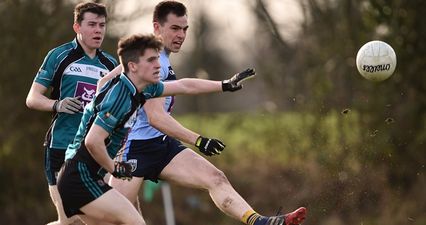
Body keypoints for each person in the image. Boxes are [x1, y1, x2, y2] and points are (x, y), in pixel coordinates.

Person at [103, 1, 307, 225]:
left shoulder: (153, 58)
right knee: (108, 219)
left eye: (185, 29)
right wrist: (198, 140)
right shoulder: (151, 63)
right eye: (175, 28)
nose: (181, 35)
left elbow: (184, 85)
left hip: (161, 145)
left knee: (215, 177)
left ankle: (260, 222)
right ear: (157, 27)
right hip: (134, 149)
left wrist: (224, 84)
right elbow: (156, 117)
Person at [56, 33, 255, 225]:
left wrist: (224, 85)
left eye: (157, 59)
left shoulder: (143, 88)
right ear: (132, 66)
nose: (158, 65)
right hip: (79, 177)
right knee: (135, 222)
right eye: (151, 60)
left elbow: (184, 86)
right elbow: (93, 141)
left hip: (79, 177)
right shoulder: (119, 96)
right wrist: (114, 168)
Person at [25, 2, 117, 225]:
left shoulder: (111, 64)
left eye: (102, 25)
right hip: (60, 147)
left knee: (98, 219)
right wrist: (57, 104)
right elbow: (32, 98)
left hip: (93, 152)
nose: (98, 30)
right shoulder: (59, 56)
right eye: (92, 25)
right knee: (68, 220)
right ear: (77, 27)